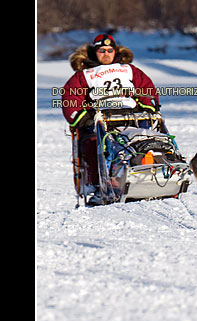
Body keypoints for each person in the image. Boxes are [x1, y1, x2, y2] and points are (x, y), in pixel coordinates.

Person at [61, 34, 160, 203]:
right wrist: (83, 119)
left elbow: (146, 88)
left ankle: (149, 175)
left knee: (145, 139)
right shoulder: (84, 75)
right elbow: (70, 99)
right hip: (99, 118)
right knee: (93, 144)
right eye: (101, 51)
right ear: (94, 52)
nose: (106, 54)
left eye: (109, 50)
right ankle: (98, 187)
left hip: (131, 116)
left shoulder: (128, 70)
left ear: (115, 51)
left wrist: (149, 106)